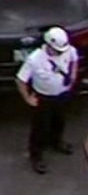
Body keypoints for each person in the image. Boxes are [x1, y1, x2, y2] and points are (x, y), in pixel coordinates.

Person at [14, 26, 79, 174]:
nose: (60, 53)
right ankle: (36, 156)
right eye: (57, 50)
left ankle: (56, 142)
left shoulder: (67, 50)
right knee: (40, 127)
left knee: (59, 120)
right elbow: (20, 80)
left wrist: (73, 74)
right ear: (48, 45)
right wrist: (28, 98)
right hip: (43, 97)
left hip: (62, 94)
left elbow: (74, 59)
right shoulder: (35, 59)